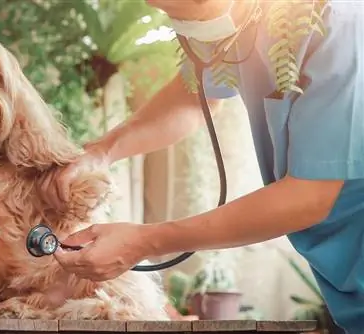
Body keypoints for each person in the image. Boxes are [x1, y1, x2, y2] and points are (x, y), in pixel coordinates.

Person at [44, 1, 363, 332]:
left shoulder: (340, 24)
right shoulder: (241, 23)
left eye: (188, 11)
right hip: (344, 286)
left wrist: (144, 241)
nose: (185, 28)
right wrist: (102, 151)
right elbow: (193, 94)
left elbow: (308, 197)